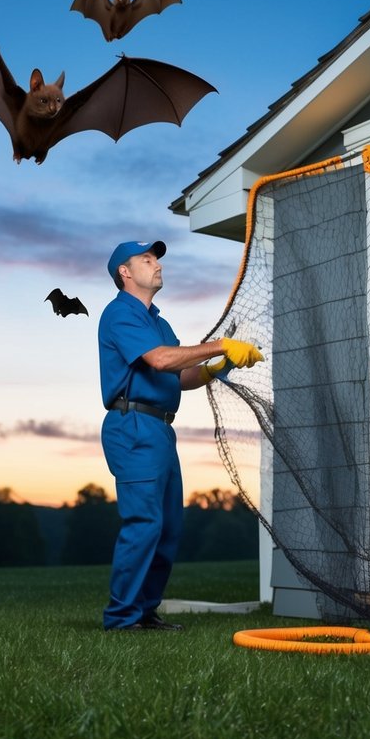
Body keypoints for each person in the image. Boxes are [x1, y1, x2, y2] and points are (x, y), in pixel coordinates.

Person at [98, 240, 264, 631]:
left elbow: (179, 374)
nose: (157, 265)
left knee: (168, 526)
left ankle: (144, 612)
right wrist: (221, 344)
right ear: (125, 272)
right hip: (132, 424)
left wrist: (215, 367)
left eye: (156, 259)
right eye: (147, 259)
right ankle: (121, 618)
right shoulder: (119, 313)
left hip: (159, 427)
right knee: (144, 523)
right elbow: (159, 359)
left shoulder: (159, 322)